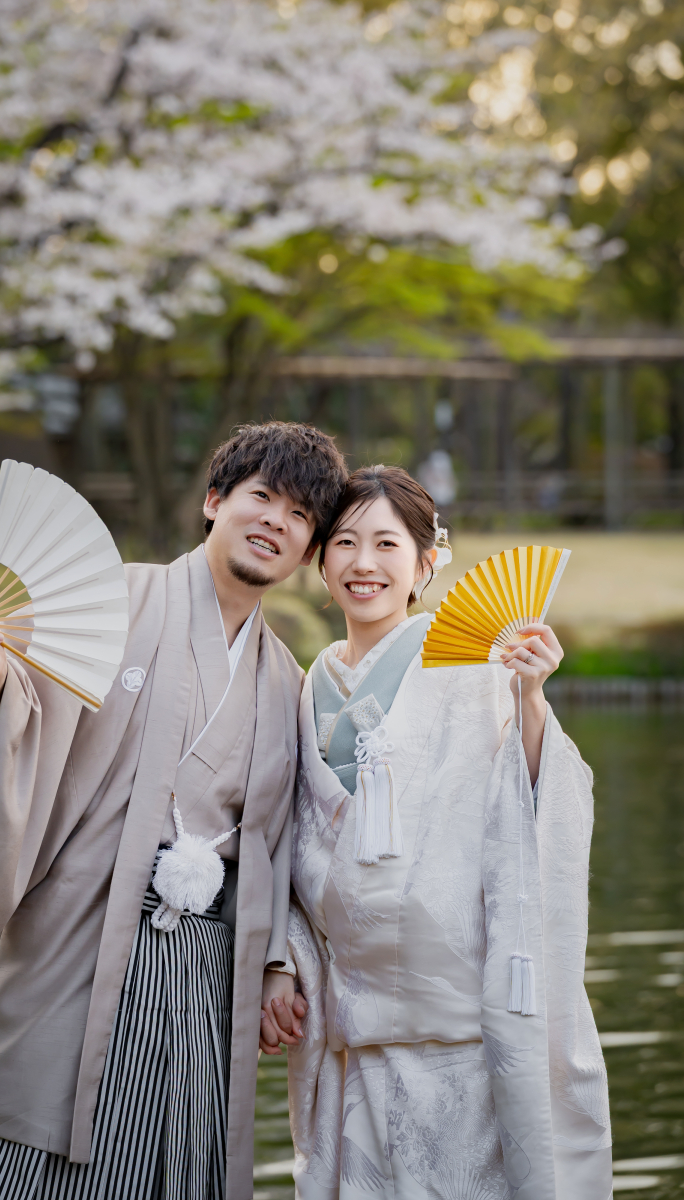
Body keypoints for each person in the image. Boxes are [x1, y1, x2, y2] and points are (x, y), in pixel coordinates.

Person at [0, 422, 346, 1200]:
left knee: (171, 1164)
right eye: (262, 498)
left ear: (307, 549)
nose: (275, 523)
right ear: (215, 501)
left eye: (299, 517)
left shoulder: (288, 678)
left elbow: (284, 846)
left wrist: (279, 964)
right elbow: (22, 723)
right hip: (75, 936)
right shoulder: (110, 599)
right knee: (26, 1154)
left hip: (199, 974)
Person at [260, 465, 612, 1199]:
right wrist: (282, 961)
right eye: (346, 542)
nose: (364, 563)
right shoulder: (302, 689)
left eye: (387, 544)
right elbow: (286, 856)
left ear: (425, 563)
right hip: (352, 1043)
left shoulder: (475, 669)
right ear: (320, 559)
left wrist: (532, 698)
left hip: (464, 1042)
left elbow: (539, 807)